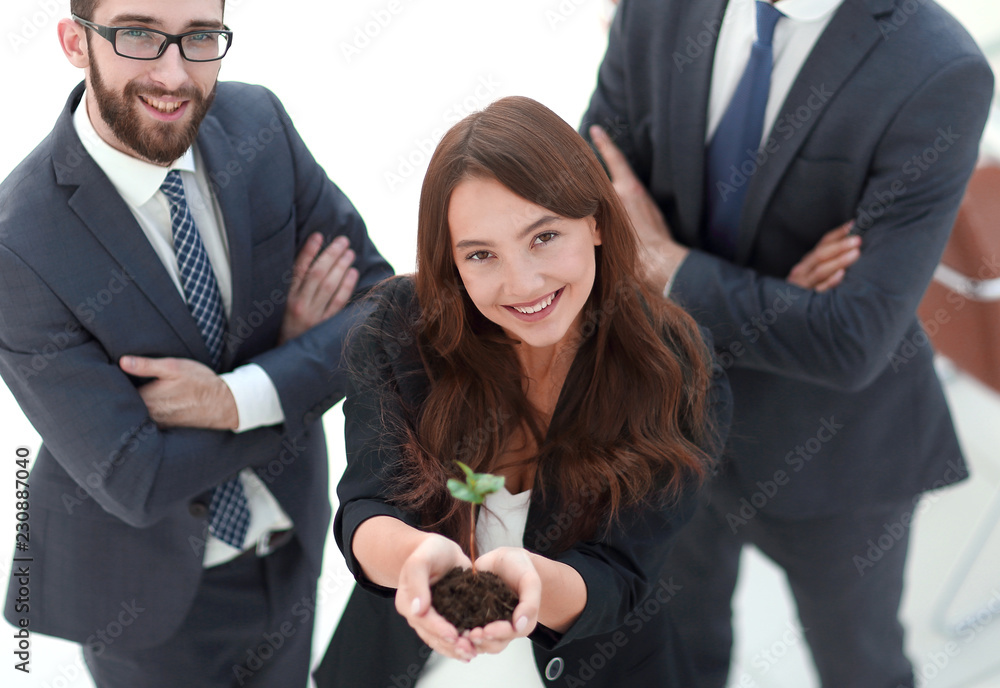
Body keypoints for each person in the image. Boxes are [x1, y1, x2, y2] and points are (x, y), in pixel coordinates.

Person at [580, 0, 994, 686]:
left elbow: (851, 340)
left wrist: (669, 267)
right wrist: (774, 298)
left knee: (860, 666)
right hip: (667, 424)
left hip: (835, 458)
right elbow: (586, 195)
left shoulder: (938, 67)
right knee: (680, 650)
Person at [0, 0, 392, 685]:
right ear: (73, 42)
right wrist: (297, 368)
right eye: (138, 35)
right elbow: (138, 477)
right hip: (142, 602)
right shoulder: (19, 243)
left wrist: (238, 397)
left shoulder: (259, 125)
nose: (175, 73)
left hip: (291, 547)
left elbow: (384, 307)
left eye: (200, 37)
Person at [312, 95, 731, 688]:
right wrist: (417, 561)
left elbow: (622, 573)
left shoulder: (674, 366)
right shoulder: (397, 332)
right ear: (451, 264)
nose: (523, 284)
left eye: (543, 237)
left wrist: (531, 587)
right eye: (481, 255)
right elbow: (368, 505)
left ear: (597, 221)